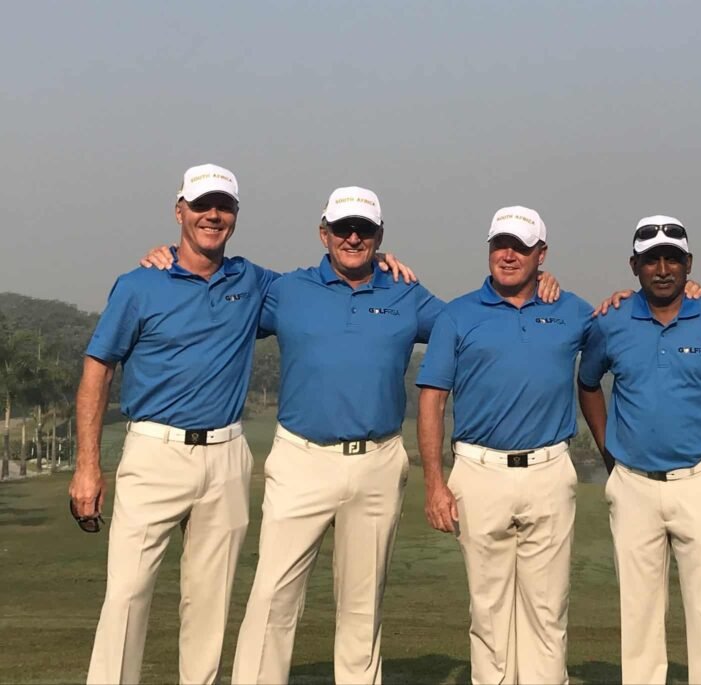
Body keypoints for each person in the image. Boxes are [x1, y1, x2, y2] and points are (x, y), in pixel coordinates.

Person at [138, 190, 560, 683]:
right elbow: (212, 279)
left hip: (377, 462)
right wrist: (169, 255)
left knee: (362, 608)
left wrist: (536, 283)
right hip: (301, 459)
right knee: (273, 598)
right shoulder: (285, 290)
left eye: (364, 229)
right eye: (343, 228)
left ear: (379, 236)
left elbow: (475, 320)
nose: (353, 238)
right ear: (324, 233)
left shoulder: (406, 292)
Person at [69, 164, 275, 684]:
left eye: (223, 206)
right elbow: (98, 370)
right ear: (179, 211)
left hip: (226, 456)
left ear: (235, 215)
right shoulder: (140, 284)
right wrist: (88, 466)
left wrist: (379, 262)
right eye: (202, 205)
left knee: (209, 603)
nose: (213, 216)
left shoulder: (252, 281)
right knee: (127, 595)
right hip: (154, 452)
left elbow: (325, 288)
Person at [416, 207, 593, 685]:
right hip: (479, 471)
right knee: (489, 611)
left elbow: (626, 325)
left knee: (547, 611)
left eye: (520, 247)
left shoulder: (572, 310)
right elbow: (432, 399)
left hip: (549, 469)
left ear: (541, 254)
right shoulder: (457, 315)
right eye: (500, 245)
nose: (508, 255)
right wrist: (434, 482)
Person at [578, 216, 701, 685]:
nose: (662, 269)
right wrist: (609, 454)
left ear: (688, 263)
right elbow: (588, 383)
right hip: (634, 483)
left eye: (672, 259)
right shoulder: (610, 321)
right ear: (634, 265)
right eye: (651, 259)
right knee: (639, 611)